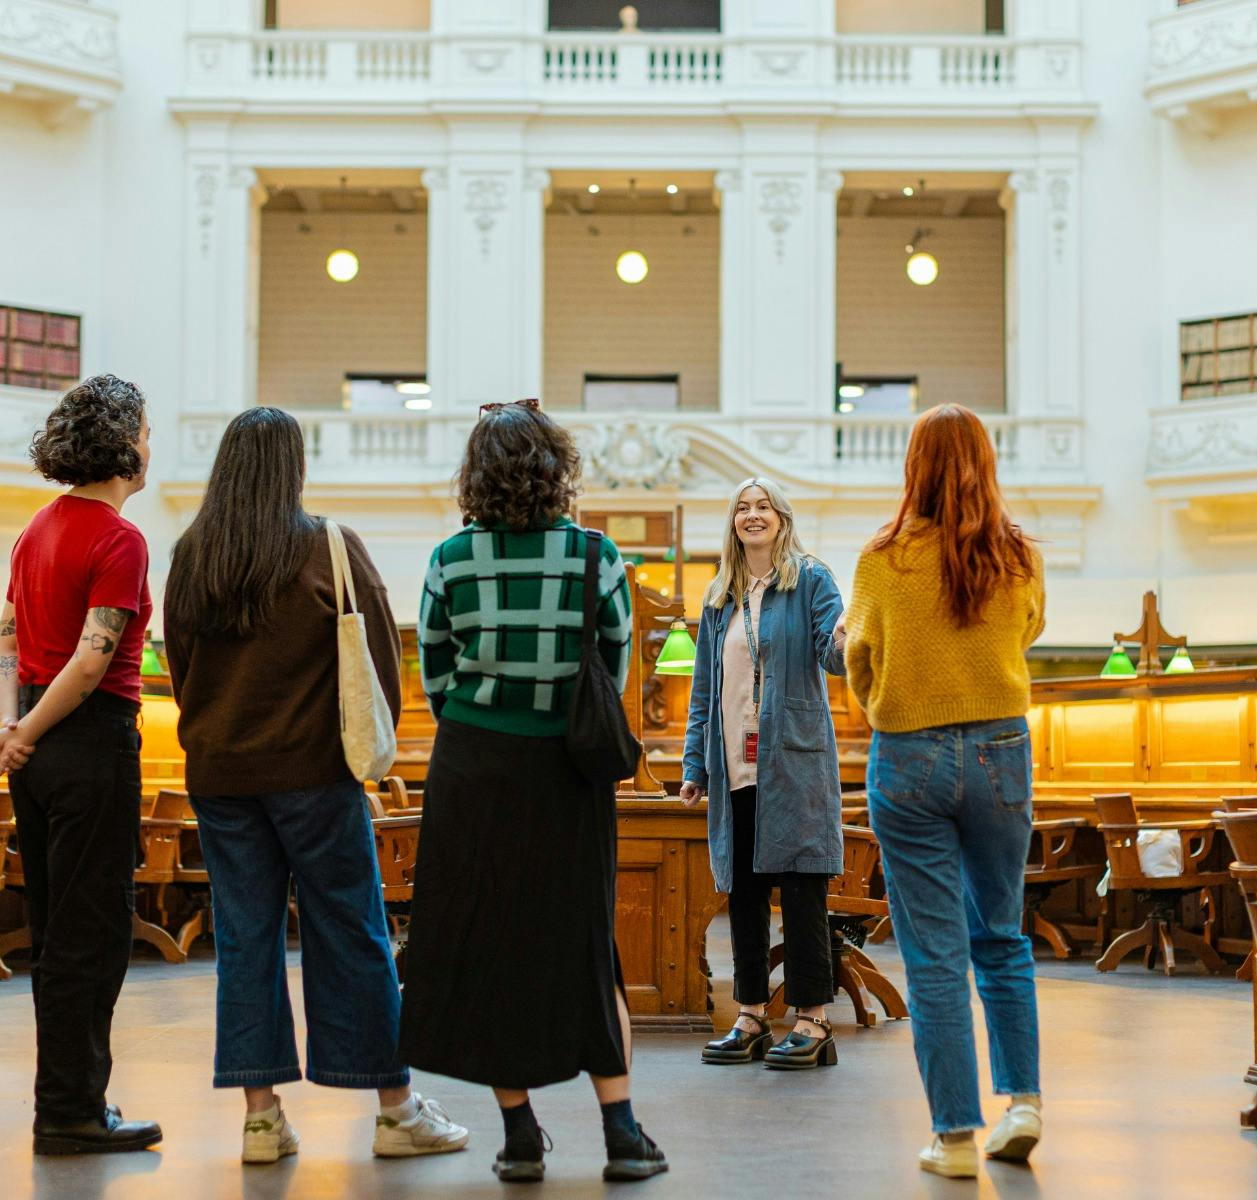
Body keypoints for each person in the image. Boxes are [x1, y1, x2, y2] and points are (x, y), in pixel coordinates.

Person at [160, 406, 468, 1165]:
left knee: (244, 939)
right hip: (315, 776)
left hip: (221, 777)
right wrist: (372, 747)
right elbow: (379, 668)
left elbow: (179, 666)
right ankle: (395, 1109)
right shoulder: (328, 546)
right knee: (351, 931)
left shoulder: (194, 553)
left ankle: (261, 1120)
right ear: (294, 467)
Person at [398, 401, 667, 1184]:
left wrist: (487, 720)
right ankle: (622, 1135)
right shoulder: (596, 555)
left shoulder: (451, 557)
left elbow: (437, 677)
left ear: (476, 475)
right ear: (557, 471)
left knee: (487, 946)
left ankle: (519, 1137)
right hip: (566, 773)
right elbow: (614, 668)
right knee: (583, 945)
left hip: (473, 771)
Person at [843, 403, 1046, 1179]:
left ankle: (955, 1137)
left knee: (933, 955)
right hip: (1001, 748)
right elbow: (1027, 630)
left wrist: (891, 694)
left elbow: (861, 656)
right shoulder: (1019, 555)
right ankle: (1023, 1104)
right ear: (986, 463)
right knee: (1001, 934)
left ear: (914, 467)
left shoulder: (881, 559)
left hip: (909, 757)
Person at [0, 374, 162, 1155]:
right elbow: (92, 662)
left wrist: (14, 727)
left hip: (40, 750)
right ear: (122, 442)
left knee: (54, 930)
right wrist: (25, 731)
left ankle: (64, 1102)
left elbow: (5, 644)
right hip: (91, 741)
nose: (150, 446)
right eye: (145, 431)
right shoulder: (120, 539)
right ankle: (75, 1111)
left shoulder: (34, 530)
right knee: (95, 931)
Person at [678, 477, 846, 1070]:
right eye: (742, 508)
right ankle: (750, 1015)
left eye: (763, 507)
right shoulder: (719, 594)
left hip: (793, 760)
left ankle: (811, 1020)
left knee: (801, 889)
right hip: (733, 766)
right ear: (732, 523)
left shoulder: (811, 580)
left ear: (782, 518)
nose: (753, 515)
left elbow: (834, 654)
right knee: (743, 894)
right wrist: (694, 763)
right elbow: (704, 690)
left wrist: (854, 636)